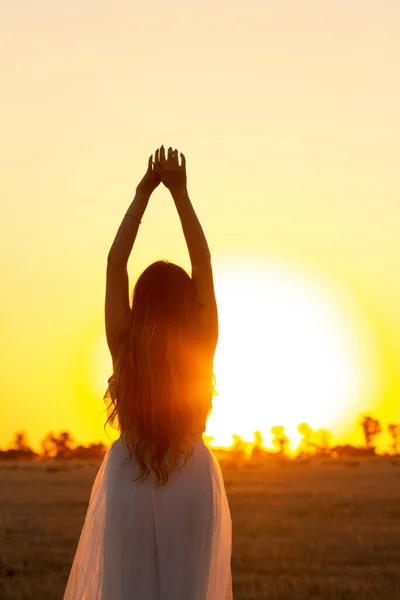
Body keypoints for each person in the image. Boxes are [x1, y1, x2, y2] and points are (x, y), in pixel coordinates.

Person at [63, 146, 233, 600]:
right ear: (186, 305)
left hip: (128, 476)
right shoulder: (200, 341)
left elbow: (114, 263)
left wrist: (143, 193)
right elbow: (204, 264)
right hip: (192, 478)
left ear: (141, 305)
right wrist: (180, 194)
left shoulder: (124, 345)